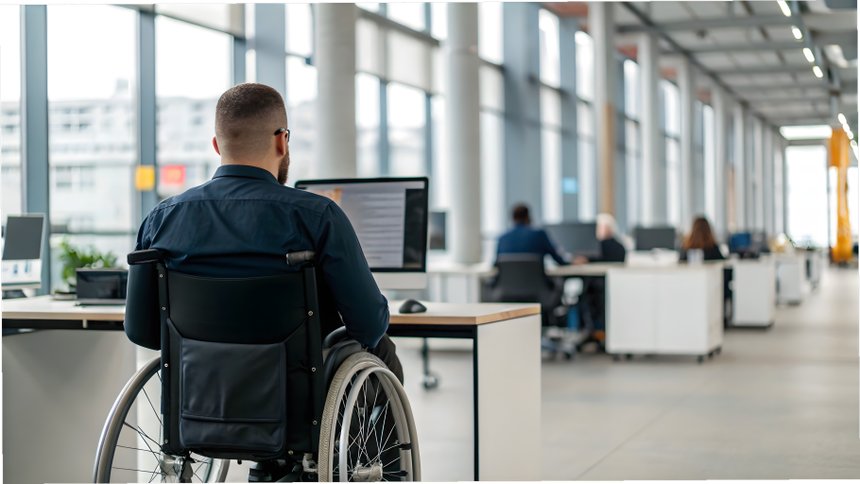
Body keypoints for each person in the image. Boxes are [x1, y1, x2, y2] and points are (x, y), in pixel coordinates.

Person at [129, 82, 402, 382]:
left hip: (199, 397)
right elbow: (369, 325)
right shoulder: (318, 217)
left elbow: (142, 331)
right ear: (282, 141)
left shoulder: (160, 219)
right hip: (296, 395)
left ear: (217, 146)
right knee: (383, 349)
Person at [573, 213, 626, 351]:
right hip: (615, 290)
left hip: (595, 289)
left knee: (584, 296)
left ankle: (589, 331)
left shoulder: (597, 248)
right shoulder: (620, 247)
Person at [495, 203, 568, 265]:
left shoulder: (502, 238)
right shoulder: (539, 235)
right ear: (528, 217)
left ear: (513, 219)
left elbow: (496, 264)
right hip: (537, 281)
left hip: (508, 281)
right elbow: (558, 260)